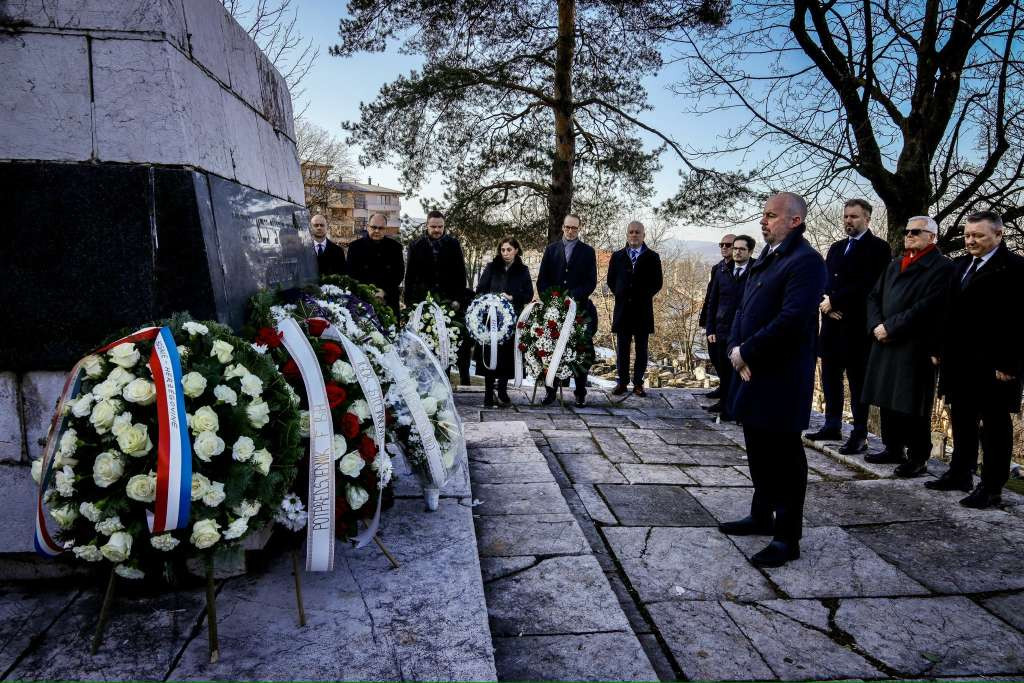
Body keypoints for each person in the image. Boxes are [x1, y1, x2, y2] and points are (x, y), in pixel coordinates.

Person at [719, 193, 826, 568]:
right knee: (757, 447)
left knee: (784, 456)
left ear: (794, 221)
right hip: (750, 369)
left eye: (771, 216)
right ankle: (761, 514)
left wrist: (748, 351)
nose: (763, 221)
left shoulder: (806, 261)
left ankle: (787, 537)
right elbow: (742, 309)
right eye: (763, 215)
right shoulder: (767, 256)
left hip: (780, 375)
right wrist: (736, 348)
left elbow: (793, 318)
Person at [927, 211, 1024, 508]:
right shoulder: (959, 266)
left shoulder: (1015, 268)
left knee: (994, 426)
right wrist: (937, 347)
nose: (971, 241)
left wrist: (1010, 364)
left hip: (995, 364)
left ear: (998, 235)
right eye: (968, 235)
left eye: (979, 235)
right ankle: (960, 473)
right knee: (962, 418)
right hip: (958, 361)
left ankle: (992, 487)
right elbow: (946, 311)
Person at [861, 216, 954, 477]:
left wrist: (892, 327)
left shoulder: (941, 267)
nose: (909, 235)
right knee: (886, 398)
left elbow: (928, 306)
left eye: (916, 231)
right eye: (907, 231)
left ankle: (917, 457)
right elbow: (873, 296)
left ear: (932, 237)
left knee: (912, 402)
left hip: (913, 343)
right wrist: (875, 325)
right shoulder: (894, 265)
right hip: (884, 340)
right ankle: (893, 448)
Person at [806, 200, 891, 453]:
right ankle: (832, 424)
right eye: (845, 216)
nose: (848, 221)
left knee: (857, 383)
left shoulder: (878, 248)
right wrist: (826, 302)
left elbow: (870, 285)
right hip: (832, 325)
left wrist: (836, 301)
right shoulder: (836, 248)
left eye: (853, 217)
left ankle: (860, 433)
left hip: (856, 327)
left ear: (867, 219)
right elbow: (825, 279)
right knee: (830, 377)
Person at [536, 213, 598, 407]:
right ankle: (550, 391)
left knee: (580, 351)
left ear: (579, 229)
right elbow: (542, 280)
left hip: (579, 308)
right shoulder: (551, 250)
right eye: (568, 227)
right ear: (563, 227)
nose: (571, 231)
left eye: (575, 228)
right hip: (554, 309)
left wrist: (572, 296)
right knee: (552, 349)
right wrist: (553, 298)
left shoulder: (588, 252)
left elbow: (591, 281)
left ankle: (580, 392)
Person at [404, 210, 472, 384]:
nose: (437, 230)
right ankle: (425, 385)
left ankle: (446, 384)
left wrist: (458, 299)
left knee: (446, 344)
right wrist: (410, 302)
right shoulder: (416, 245)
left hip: (448, 303)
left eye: (440, 227)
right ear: (427, 225)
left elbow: (460, 274)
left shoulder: (453, 244)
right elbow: (410, 275)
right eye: (433, 226)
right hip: (423, 303)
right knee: (424, 347)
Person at [474, 236, 534, 408]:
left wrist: (512, 297)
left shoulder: (522, 270)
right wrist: (492, 299)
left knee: (506, 357)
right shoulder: (492, 267)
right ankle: (487, 394)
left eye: (509, 249)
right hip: (491, 319)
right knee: (490, 353)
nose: (505, 253)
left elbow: (528, 295)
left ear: (516, 250)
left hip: (512, 319)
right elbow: (480, 289)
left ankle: (502, 390)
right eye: (503, 249)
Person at [606, 221, 663, 397]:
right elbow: (611, 280)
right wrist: (623, 294)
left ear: (643, 235)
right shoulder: (617, 256)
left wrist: (641, 296)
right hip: (623, 309)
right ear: (627, 234)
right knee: (622, 349)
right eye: (631, 232)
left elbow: (657, 283)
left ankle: (638, 383)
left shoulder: (652, 257)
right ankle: (622, 382)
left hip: (642, 310)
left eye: (637, 232)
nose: (634, 235)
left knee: (641, 349)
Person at [703, 234, 755, 418]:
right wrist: (710, 328)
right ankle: (725, 405)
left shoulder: (756, 270)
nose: (737, 252)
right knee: (724, 369)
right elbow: (712, 301)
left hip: (744, 329)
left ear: (750, 251)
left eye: (741, 249)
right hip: (722, 328)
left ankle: (735, 407)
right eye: (735, 248)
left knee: (740, 370)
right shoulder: (722, 270)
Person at [346, 212, 405, 317]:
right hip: (362, 300)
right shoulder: (355, 247)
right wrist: (368, 291)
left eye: (381, 228)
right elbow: (351, 274)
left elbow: (399, 274)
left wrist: (384, 291)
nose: (377, 231)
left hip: (389, 300)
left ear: (385, 229)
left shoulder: (395, 248)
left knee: (391, 332)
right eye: (373, 227)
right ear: (368, 227)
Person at [700, 234, 736, 399]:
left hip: (733, 321)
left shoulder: (747, 268)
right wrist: (707, 323)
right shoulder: (718, 268)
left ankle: (728, 394)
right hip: (716, 320)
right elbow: (710, 296)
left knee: (729, 359)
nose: (724, 247)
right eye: (721, 244)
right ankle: (723, 388)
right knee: (716, 357)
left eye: (728, 245)